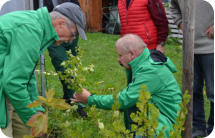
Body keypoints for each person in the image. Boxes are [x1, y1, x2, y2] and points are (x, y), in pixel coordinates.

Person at [0, 2, 86, 137]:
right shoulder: (31, 30)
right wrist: (32, 116)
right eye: (73, 34)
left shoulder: (38, 28)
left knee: (27, 131)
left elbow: (27, 76)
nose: (71, 40)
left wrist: (36, 109)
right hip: (5, 88)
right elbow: (13, 82)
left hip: (8, 82)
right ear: (61, 23)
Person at [73, 34, 182, 137]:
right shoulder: (144, 63)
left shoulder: (150, 71)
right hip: (159, 120)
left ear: (132, 54)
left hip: (164, 127)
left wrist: (90, 99)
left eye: (120, 55)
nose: (118, 60)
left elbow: (124, 99)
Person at [170, 0, 214, 137]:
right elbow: (174, 8)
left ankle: (212, 128)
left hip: (211, 47)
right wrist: (181, 23)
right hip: (190, 48)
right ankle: (198, 127)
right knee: (193, 90)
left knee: (213, 92)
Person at [43, 0, 87, 117]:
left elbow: (76, 5)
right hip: (55, 29)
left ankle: (70, 98)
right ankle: (78, 104)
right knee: (64, 68)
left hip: (71, 26)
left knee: (73, 66)